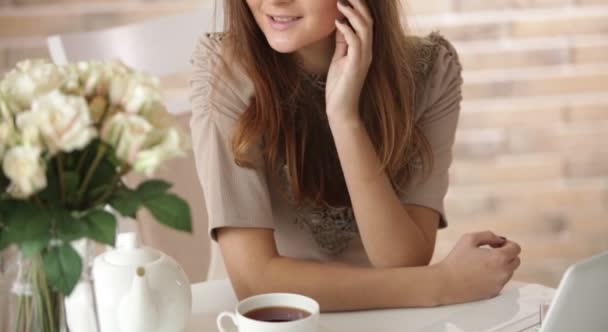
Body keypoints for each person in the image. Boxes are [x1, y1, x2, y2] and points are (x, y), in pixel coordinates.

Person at [189, 0, 522, 312]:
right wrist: (443, 283)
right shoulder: (226, 70)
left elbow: (401, 261)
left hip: (384, 320)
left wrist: (344, 117)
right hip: (261, 327)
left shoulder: (428, 72)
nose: (275, 0)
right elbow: (256, 282)